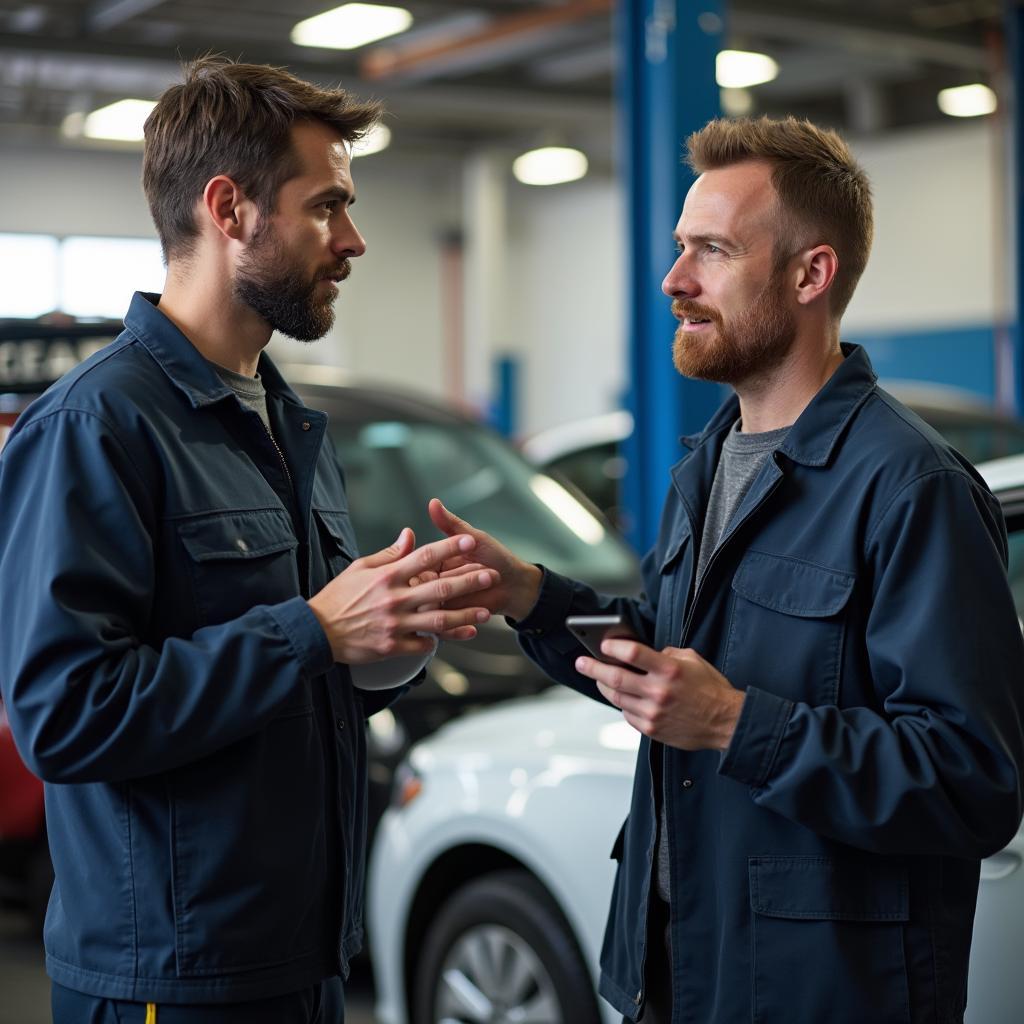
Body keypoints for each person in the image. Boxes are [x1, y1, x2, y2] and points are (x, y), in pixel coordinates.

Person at [425, 116, 1024, 1023]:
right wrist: (535, 597)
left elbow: (970, 782)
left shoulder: (910, 488)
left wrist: (738, 726)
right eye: (679, 249)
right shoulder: (709, 464)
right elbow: (678, 672)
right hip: (681, 974)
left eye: (712, 250)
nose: (674, 281)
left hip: (818, 993)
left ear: (810, 275)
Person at [0, 57, 497, 1023]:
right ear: (228, 209)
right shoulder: (94, 429)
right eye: (326, 208)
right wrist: (314, 631)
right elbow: (63, 719)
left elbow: (305, 658)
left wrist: (390, 633)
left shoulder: (287, 422)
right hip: (170, 982)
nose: (352, 240)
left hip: (302, 960)